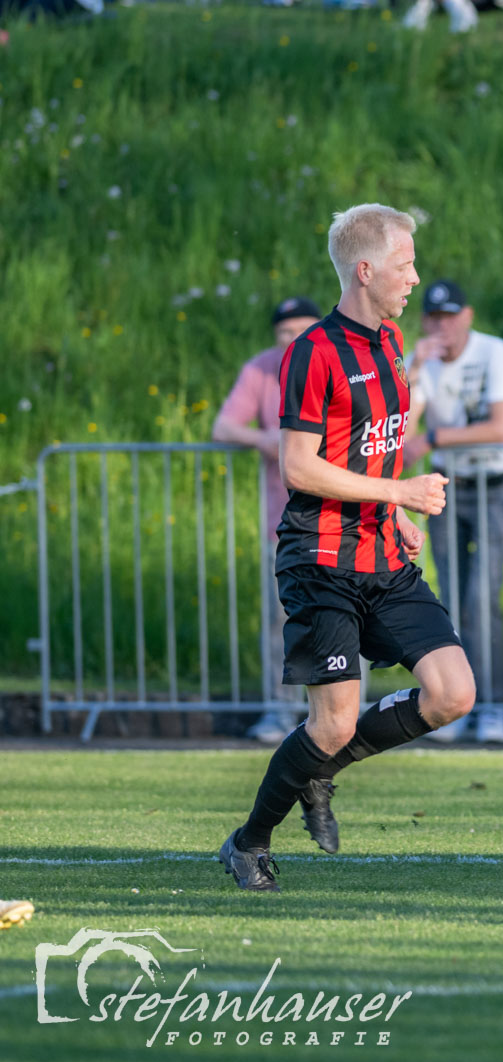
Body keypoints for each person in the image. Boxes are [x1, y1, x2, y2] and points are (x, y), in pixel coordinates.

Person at [218, 203, 476, 893]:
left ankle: (321, 769)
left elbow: (371, 444)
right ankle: (249, 842)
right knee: (329, 724)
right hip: (321, 561)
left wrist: (392, 511)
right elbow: (299, 466)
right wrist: (398, 493)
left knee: (453, 693)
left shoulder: (390, 341)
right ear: (365, 271)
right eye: (404, 265)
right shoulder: (313, 352)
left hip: (383, 555)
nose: (415, 278)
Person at [406, 278, 503, 746]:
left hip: (495, 483)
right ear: (424, 322)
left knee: (482, 598)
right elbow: (403, 431)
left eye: (450, 316)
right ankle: (454, 706)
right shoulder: (422, 363)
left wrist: (435, 438)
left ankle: (492, 707)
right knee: (451, 599)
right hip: (447, 486)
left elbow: (500, 427)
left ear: (468, 317)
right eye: (434, 318)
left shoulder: (494, 352)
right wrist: (415, 369)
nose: (443, 326)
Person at [213, 295, 323, 745]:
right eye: (285, 332)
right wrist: (273, 442)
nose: (294, 339)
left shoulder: (338, 365)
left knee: (344, 619)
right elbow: (223, 427)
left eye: (303, 330)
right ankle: (281, 711)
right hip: (284, 522)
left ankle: (343, 715)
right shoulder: (261, 370)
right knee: (283, 618)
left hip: (343, 518)